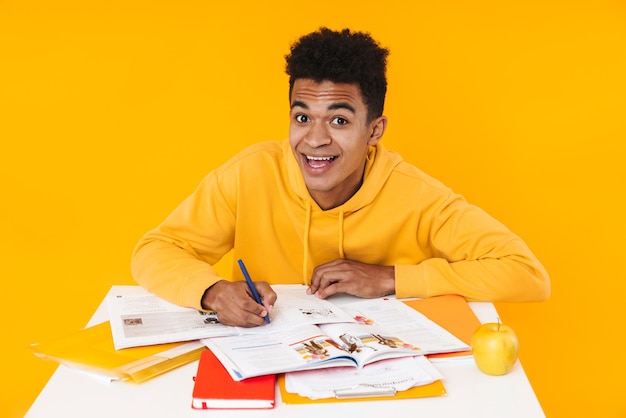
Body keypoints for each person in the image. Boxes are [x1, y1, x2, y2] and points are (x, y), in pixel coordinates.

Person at [131, 27, 550, 328]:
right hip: (268, 359)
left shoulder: (418, 196)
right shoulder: (249, 174)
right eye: (302, 117)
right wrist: (213, 290)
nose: (314, 139)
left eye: (338, 119)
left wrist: (389, 277)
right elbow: (156, 250)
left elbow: (526, 274)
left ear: (374, 131)